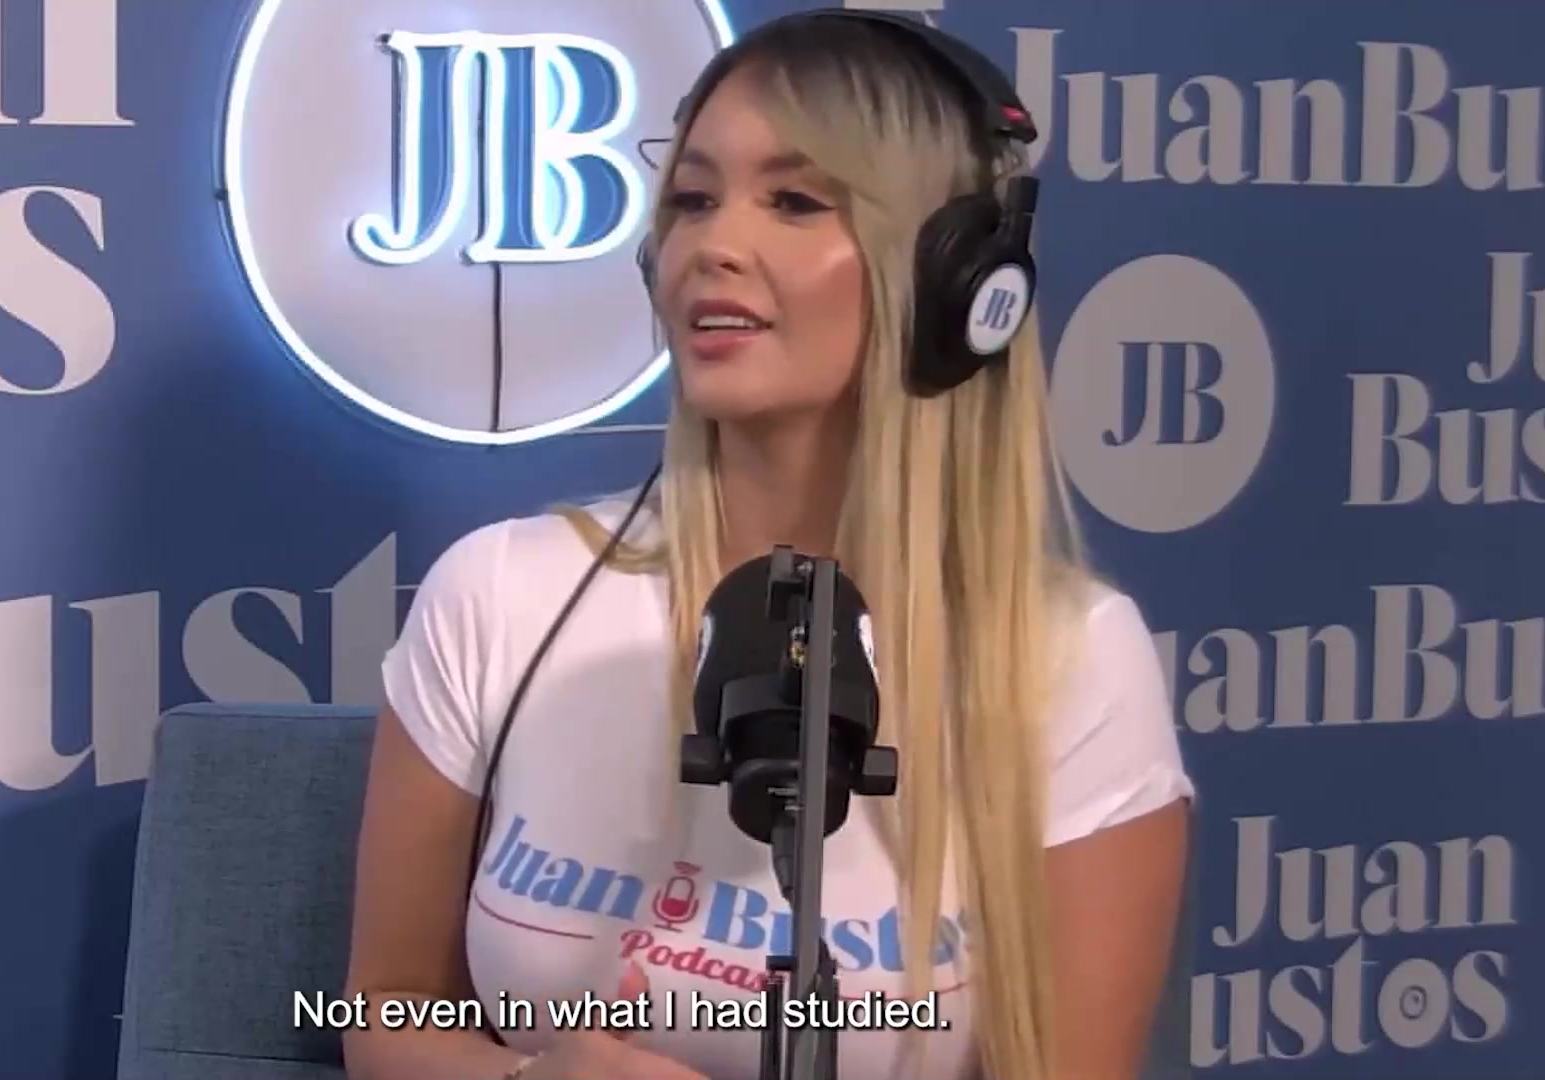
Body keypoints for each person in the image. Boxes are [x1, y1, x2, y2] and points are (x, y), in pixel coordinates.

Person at [340, 10, 1193, 1080]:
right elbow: (384, 1015)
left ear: (959, 281)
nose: (714, 247)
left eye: (794, 202)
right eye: (693, 201)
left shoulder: (1068, 658)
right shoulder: (501, 594)